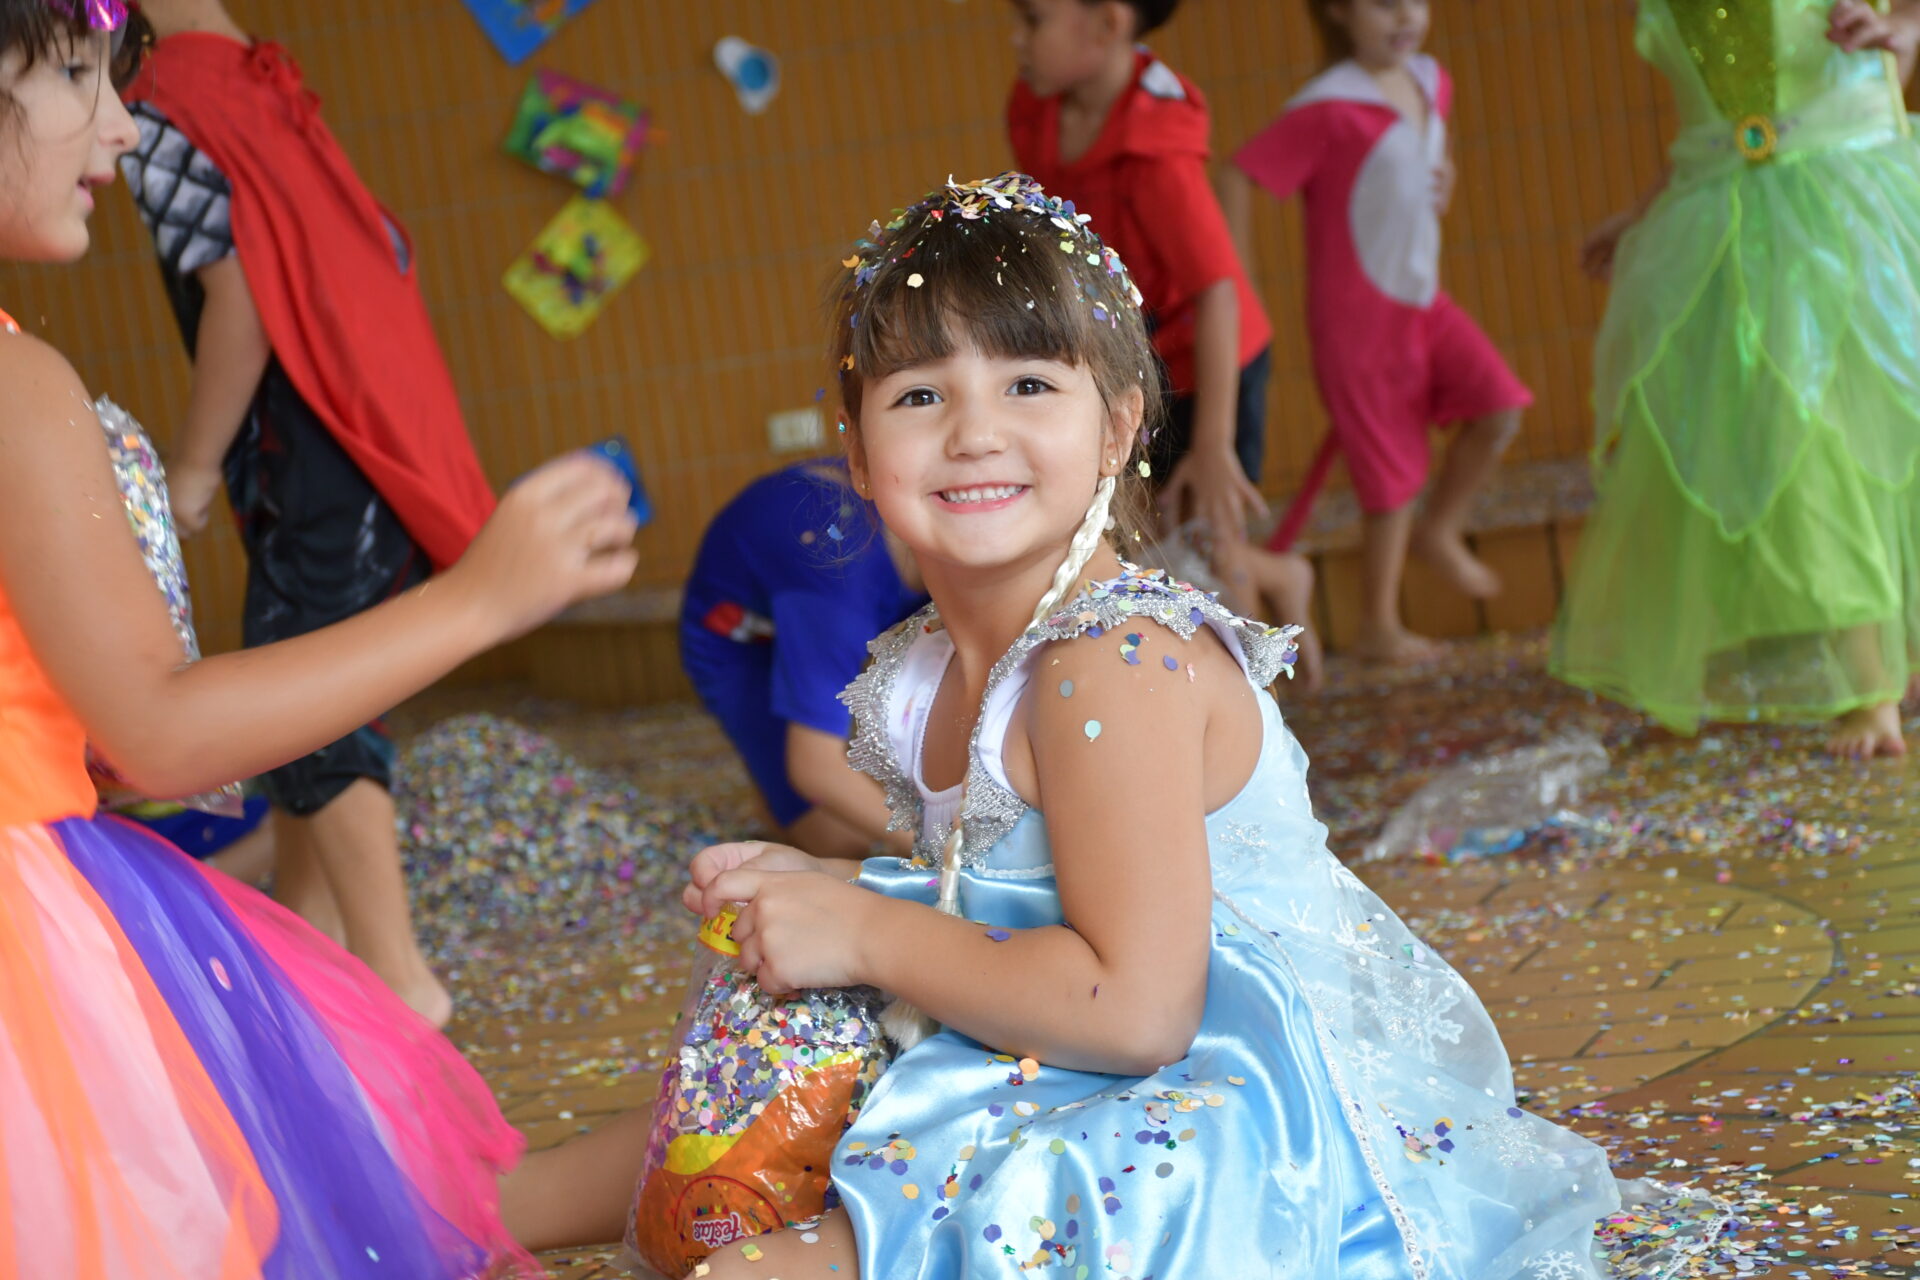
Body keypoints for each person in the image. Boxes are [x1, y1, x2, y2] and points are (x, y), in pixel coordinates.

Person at [675, 174, 1716, 1279]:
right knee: (778, 1020)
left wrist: (867, 930)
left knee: (841, 1193)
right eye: (920, 396)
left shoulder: (1109, 664)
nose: (976, 432)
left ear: (1119, 423)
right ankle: (496, 1201)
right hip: (1057, 1035)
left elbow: (1138, 1011)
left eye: (1029, 382)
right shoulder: (924, 664)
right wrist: (828, 900)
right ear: (857, 448)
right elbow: (992, 896)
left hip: (1225, 1099)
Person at [0, 2, 650, 1265]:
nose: (124, 123)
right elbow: (155, 731)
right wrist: (478, 600)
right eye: (77, 72)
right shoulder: (17, 385)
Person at [117, 0, 503, 1023]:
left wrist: (193, 468)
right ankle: (302, 941)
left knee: (300, 700)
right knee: (304, 693)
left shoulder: (158, 106)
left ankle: (399, 980)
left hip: (308, 440)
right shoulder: (252, 73)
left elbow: (236, 304)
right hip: (365, 422)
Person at [1556, 0, 1920, 759]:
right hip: (1721, 220)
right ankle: (1798, 672)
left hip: (1847, 207)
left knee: (1846, 436)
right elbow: (1712, 119)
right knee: (1728, 444)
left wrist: (1906, 27)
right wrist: (1640, 212)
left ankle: (1873, 682)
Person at [1220, 0, 1528, 665]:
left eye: (1413, 0)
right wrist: (1238, 285)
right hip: (1355, 323)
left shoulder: (1430, 81)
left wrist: (1439, 186)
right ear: (1338, 11)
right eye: (1382, 4)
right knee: (1388, 479)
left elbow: (1414, 170)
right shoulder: (1328, 107)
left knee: (1501, 407)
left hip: (1422, 301)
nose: (1404, 16)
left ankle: (1439, 528)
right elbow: (1241, 174)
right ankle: (1378, 626)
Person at [1007, 0, 1274, 547]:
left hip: (1215, 358)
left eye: (1034, 20)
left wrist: (1214, 442)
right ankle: (1280, 581)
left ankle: (1276, 602)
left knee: (1215, 543)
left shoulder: (1154, 148)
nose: (1017, 39)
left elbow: (1217, 293)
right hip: (1141, 347)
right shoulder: (1035, 109)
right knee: (1140, 534)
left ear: (1107, 24)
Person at [681, 458, 926, 858]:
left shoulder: (918, 545)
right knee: (845, 846)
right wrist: (940, 852)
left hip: (812, 586)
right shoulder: (839, 590)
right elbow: (815, 769)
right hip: (739, 638)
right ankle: (774, 797)